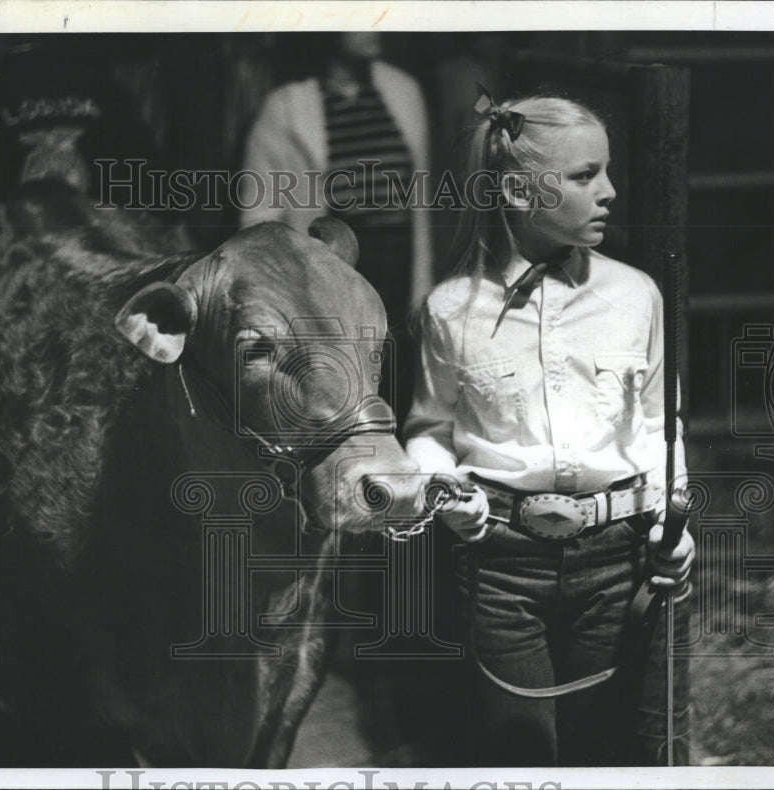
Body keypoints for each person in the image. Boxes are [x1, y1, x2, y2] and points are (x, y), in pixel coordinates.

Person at [403, 92, 696, 766]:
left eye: (607, 171)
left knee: (604, 746)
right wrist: (445, 494)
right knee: (520, 749)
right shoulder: (452, 309)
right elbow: (427, 430)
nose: (610, 192)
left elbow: (657, 425)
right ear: (516, 188)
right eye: (584, 175)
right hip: (502, 566)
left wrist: (672, 524)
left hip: (616, 561)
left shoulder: (636, 296)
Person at [240, 32, 433, 424]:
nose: (375, 24)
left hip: (398, 270)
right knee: (341, 399)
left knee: (400, 394)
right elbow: (257, 216)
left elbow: (422, 200)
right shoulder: (285, 108)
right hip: (336, 269)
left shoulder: (403, 90)